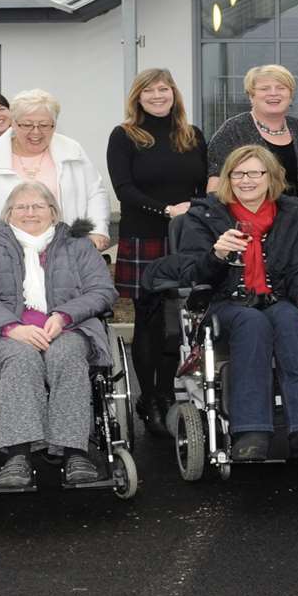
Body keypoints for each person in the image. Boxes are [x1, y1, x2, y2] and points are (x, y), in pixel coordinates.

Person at [162, 145, 298, 462]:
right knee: (252, 322)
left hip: (276, 298)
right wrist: (216, 255)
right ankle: (251, 430)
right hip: (223, 302)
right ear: (228, 177)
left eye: (255, 173)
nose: (246, 180)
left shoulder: (291, 214)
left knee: (290, 320)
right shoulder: (204, 216)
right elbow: (190, 274)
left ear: (270, 177)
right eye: (238, 173)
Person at [0, 181, 118, 488]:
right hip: (0, 334)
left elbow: (103, 291)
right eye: (21, 207)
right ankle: (19, 455)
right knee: (22, 358)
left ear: (53, 212)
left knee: (67, 354)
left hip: (68, 328)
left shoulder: (76, 244)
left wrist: (64, 315)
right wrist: (11, 327)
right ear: (8, 213)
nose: (30, 212)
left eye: (38, 206)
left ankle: (73, 451)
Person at [105, 69, 209, 435]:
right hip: (144, 236)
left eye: (164, 88)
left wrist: (193, 213)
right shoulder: (125, 136)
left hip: (186, 238)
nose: (157, 95)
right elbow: (123, 189)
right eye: (149, 90)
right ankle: (148, 397)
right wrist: (166, 211)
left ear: (174, 93)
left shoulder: (192, 135)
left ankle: (168, 393)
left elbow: (205, 184)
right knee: (147, 321)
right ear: (138, 97)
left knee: (176, 321)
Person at [0, 89, 111, 249]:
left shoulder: (72, 150)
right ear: (14, 123)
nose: (36, 132)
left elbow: (95, 192)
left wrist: (97, 230)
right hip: (6, 251)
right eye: (27, 125)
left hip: (67, 248)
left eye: (45, 125)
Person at [204, 65, 298, 224]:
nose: (273, 93)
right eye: (264, 88)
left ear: (290, 96)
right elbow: (215, 187)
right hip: (250, 229)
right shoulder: (233, 131)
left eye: (281, 88)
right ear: (251, 96)